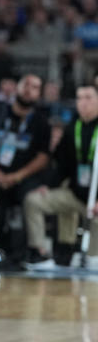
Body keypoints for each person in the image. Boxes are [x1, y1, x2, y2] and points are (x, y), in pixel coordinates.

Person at [24, 85, 98, 270]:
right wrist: (48, 185)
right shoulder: (73, 128)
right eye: (79, 98)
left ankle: (93, 255)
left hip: (95, 199)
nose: (83, 103)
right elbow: (62, 165)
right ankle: (41, 253)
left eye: (88, 97)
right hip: (76, 193)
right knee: (33, 201)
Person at [0, 75, 50, 261]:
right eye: (26, 85)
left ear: (39, 94)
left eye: (35, 87)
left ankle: (31, 251)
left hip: (24, 176)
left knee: (30, 198)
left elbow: (43, 158)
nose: (28, 90)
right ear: (17, 87)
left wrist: (16, 177)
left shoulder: (41, 122)